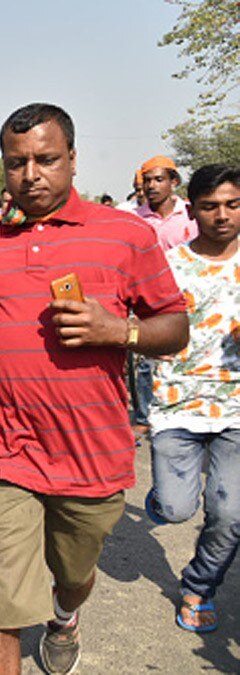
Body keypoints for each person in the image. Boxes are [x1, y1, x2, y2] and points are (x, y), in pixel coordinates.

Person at [0, 103, 188, 675]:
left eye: (46, 160)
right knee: (1, 607)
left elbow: (175, 326)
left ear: (73, 159)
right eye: (16, 162)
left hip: (91, 455)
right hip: (2, 448)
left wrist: (117, 329)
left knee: (74, 574)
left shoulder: (126, 236)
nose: (31, 174)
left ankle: (64, 613)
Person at [144, 163, 240, 634]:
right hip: (176, 405)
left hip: (236, 409)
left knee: (229, 513)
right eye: (210, 206)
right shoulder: (170, 265)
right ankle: (164, 496)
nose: (222, 215)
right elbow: (140, 323)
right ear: (193, 209)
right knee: (178, 509)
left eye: (233, 204)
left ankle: (199, 587)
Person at [131, 156, 198, 438]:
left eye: (159, 179)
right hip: (149, 299)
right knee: (148, 359)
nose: (152, 186)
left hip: (190, 295)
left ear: (174, 182)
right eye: (147, 180)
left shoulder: (192, 215)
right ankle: (145, 415)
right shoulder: (135, 219)